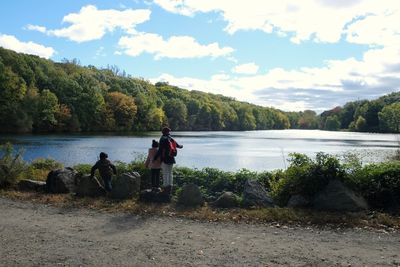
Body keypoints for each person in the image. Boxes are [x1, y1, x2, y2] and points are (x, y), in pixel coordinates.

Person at [154, 127, 183, 195]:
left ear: (162, 132)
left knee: (165, 173)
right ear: (168, 132)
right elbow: (179, 146)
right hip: (171, 158)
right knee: (170, 173)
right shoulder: (170, 138)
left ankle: (165, 188)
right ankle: (170, 187)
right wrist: (181, 146)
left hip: (165, 159)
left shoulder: (162, 139)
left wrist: (155, 158)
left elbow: (160, 150)